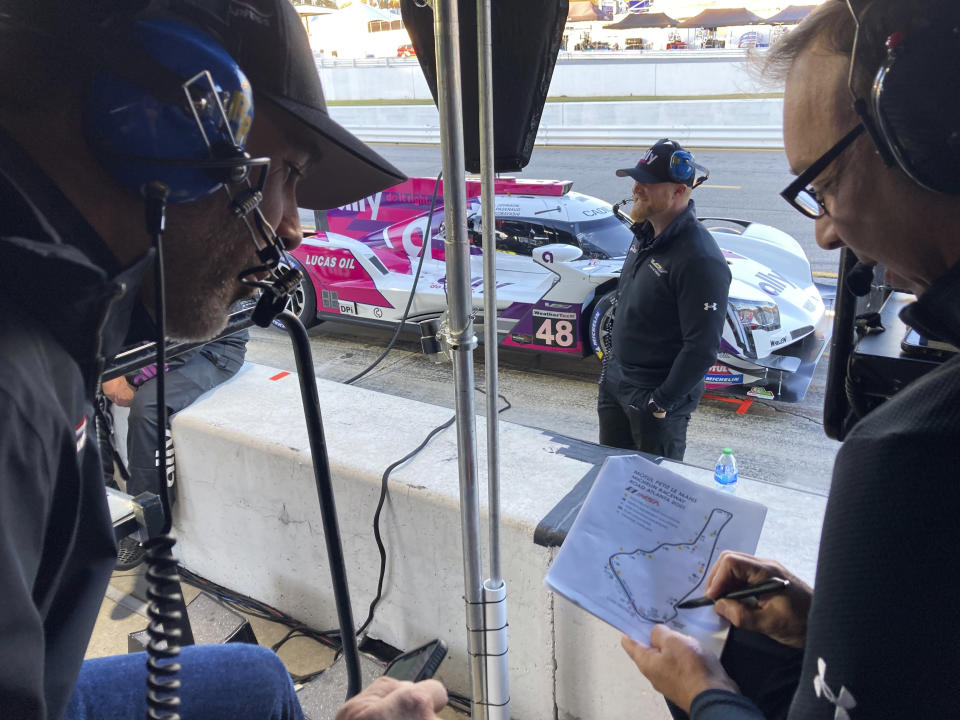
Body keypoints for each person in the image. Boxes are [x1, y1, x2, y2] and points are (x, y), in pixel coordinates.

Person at [0, 1, 447, 718]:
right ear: (165, 119)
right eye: (292, 174)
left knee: (255, 680)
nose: (296, 230)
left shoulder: (46, 297)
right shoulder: (14, 389)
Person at [620, 1, 960, 718]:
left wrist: (703, 694)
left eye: (825, 185)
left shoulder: (916, 456)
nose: (829, 234)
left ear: (930, 136)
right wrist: (825, 629)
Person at [597, 139, 730, 461]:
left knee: (652, 497)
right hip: (617, 381)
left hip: (653, 400)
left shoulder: (700, 258)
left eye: (649, 182)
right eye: (637, 178)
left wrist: (660, 403)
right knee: (609, 480)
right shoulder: (644, 234)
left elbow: (701, 349)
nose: (637, 188)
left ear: (679, 192)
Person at [102, 332, 249, 568]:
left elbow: (192, 336)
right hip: (155, 339)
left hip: (211, 346)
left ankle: (145, 528)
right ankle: (102, 497)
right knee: (83, 383)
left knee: (147, 406)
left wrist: (133, 378)